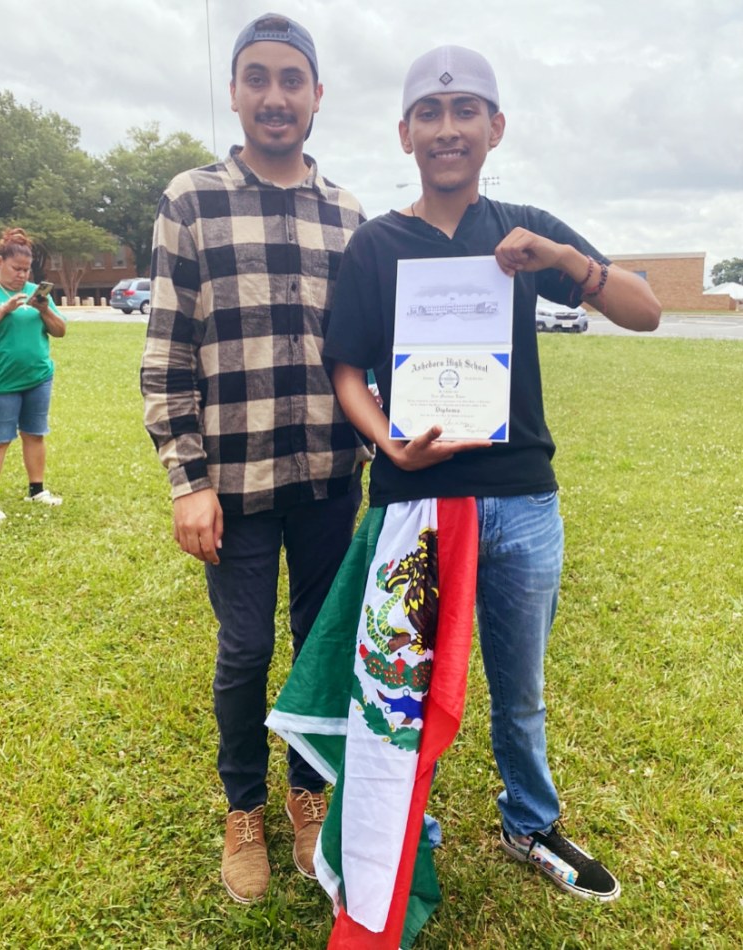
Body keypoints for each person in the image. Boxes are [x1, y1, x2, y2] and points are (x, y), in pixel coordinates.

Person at [322, 45, 661, 904]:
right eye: (429, 115)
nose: (447, 128)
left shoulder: (523, 228)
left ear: (494, 128)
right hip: (414, 502)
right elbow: (346, 371)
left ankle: (530, 823)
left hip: (520, 502)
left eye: (465, 111)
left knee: (520, 687)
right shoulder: (376, 245)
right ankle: (407, 827)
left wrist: (563, 260)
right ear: (405, 134)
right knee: (410, 684)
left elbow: (646, 311)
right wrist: (387, 445)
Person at [140, 13, 370, 905]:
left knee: (320, 646)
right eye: (257, 79)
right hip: (231, 491)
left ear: (317, 96)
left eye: (292, 80)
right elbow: (167, 354)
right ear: (235, 92)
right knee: (244, 652)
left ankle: (308, 793)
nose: (275, 97)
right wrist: (187, 482)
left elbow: (369, 350)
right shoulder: (190, 199)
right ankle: (244, 807)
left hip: (326, 478)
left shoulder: (350, 215)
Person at [0, 227, 66, 521]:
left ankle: (37, 490)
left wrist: (44, 310)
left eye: (27, 270)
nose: (22, 275)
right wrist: (4, 309)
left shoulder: (34, 292)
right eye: (17, 268)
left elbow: (61, 331)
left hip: (37, 377)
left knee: (35, 434)